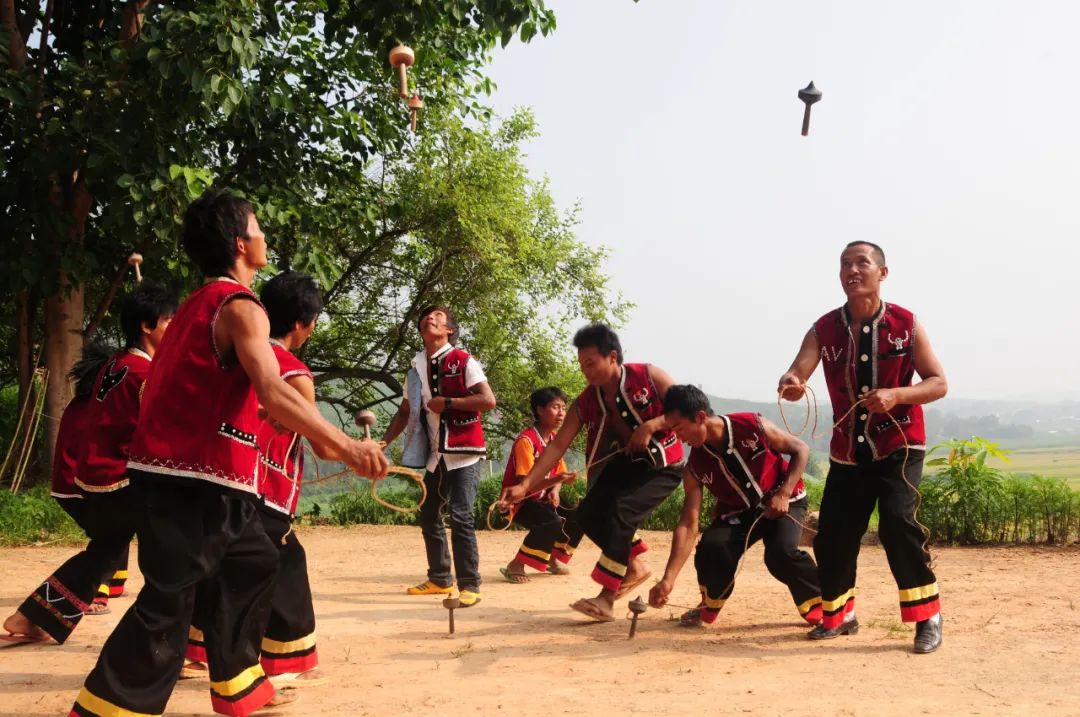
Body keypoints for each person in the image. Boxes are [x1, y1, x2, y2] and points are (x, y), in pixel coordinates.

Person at [69, 189, 388, 717]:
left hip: (204, 481)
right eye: (259, 227)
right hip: (191, 482)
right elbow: (273, 389)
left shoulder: (198, 306)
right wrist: (347, 445)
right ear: (242, 242)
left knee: (258, 560)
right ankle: (106, 708)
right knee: (167, 604)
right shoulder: (240, 306)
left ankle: (237, 682)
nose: (265, 237)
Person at [778, 240, 947, 654]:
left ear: (882, 273)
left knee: (896, 523)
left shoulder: (907, 323)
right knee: (833, 533)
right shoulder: (824, 328)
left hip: (900, 445)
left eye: (862, 263)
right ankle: (839, 615)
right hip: (848, 452)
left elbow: (938, 382)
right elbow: (799, 369)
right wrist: (793, 384)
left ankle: (927, 617)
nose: (852, 270)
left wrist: (897, 395)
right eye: (844, 264)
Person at [1, 283, 177, 647]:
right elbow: (161, 431)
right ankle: (174, 638)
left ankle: (29, 617)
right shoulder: (144, 376)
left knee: (106, 549)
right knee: (177, 547)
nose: (174, 327)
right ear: (147, 326)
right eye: (169, 320)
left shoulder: (116, 365)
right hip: (122, 479)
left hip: (96, 475)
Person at [185, 271, 328, 687]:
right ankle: (272, 662)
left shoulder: (232, 354)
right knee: (276, 563)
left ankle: (193, 649)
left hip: (215, 478)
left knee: (215, 566)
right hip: (264, 489)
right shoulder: (294, 373)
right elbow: (323, 445)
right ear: (303, 324)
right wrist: (361, 452)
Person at [502, 324, 683, 622]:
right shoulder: (587, 400)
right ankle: (635, 567)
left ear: (612, 357)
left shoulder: (649, 376)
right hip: (626, 466)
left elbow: (685, 408)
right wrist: (525, 486)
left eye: (591, 363)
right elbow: (558, 445)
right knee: (587, 514)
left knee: (621, 511)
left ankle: (606, 598)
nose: (586, 371)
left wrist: (650, 426)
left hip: (664, 465)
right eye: (581, 365)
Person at [647, 385, 822, 629]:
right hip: (739, 513)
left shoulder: (752, 425)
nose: (679, 437)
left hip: (785, 502)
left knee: (780, 554)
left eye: (679, 429)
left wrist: (784, 492)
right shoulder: (695, 466)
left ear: (700, 418)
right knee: (712, 547)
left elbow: (800, 449)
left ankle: (821, 606)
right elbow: (688, 524)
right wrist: (667, 579)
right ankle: (709, 605)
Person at [383, 305, 496, 608]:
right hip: (436, 453)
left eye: (438, 317)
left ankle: (470, 584)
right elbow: (406, 411)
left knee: (461, 516)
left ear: (449, 330)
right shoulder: (415, 367)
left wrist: (449, 402)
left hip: (464, 453)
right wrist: (382, 443)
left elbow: (487, 400)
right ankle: (440, 578)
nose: (430, 319)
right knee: (430, 514)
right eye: (426, 318)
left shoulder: (462, 360)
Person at [498, 387, 584, 583]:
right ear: (540, 410)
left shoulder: (555, 441)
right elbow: (526, 486)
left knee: (580, 515)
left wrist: (556, 489)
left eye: (563, 408)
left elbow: (559, 475)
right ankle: (516, 564)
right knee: (551, 522)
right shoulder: (525, 441)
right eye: (555, 407)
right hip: (520, 502)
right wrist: (558, 479)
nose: (561, 413)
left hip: (543, 499)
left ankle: (553, 559)